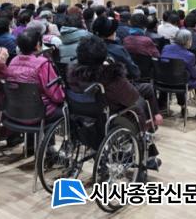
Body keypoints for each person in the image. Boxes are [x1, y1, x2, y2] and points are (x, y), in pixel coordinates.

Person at [66, 35, 162, 168]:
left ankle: (147, 150)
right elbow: (132, 97)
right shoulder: (110, 75)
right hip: (108, 118)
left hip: (81, 116)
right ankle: (145, 150)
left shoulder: (72, 73)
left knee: (142, 95)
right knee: (139, 105)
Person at [6, 29, 65, 122]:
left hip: (15, 111)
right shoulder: (43, 63)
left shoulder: (13, 61)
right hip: (40, 113)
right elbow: (57, 96)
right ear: (38, 45)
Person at [160, 29, 196, 120]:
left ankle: (183, 106)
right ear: (187, 41)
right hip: (181, 82)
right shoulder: (189, 55)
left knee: (179, 76)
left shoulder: (166, 48)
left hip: (164, 81)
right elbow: (195, 75)